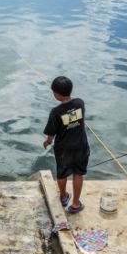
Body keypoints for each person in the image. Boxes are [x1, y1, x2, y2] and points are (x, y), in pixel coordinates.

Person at [43, 76, 90, 214]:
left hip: (64, 149)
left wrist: (47, 142)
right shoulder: (80, 103)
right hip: (81, 146)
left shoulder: (55, 112)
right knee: (78, 174)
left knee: (62, 174)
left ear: (57, 94)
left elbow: (51, 135)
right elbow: (74, 117)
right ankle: (76, 204)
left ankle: (63, 197)